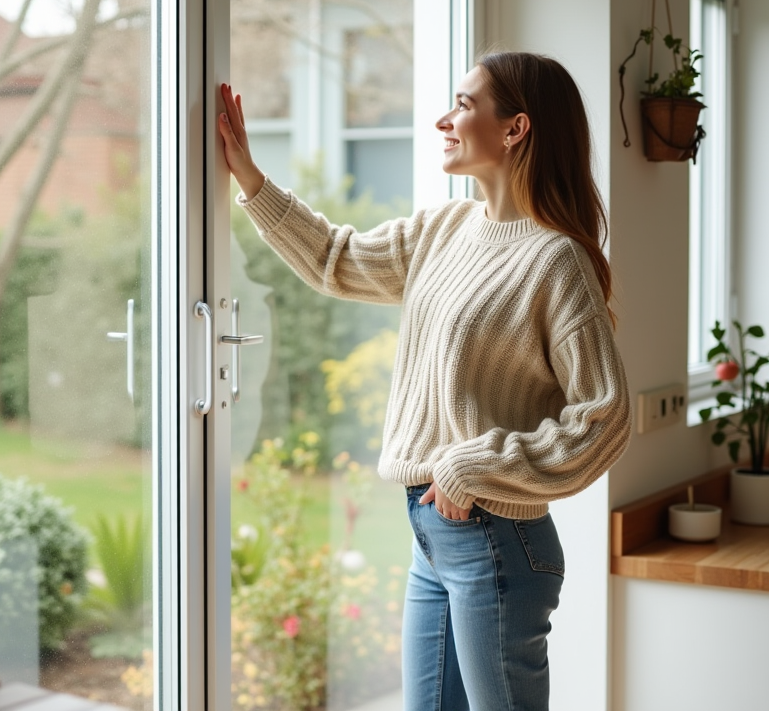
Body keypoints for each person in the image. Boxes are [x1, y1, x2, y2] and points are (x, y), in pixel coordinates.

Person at [217, 51, 632, 711]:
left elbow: (604, 416)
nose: (445, 119)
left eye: (464, 105)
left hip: (497, 536)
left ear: (515, 129)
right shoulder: (449, 227)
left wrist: (470, 464)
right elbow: (336, 259)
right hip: (435, 536)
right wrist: (251, 178)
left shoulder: (557, 259)